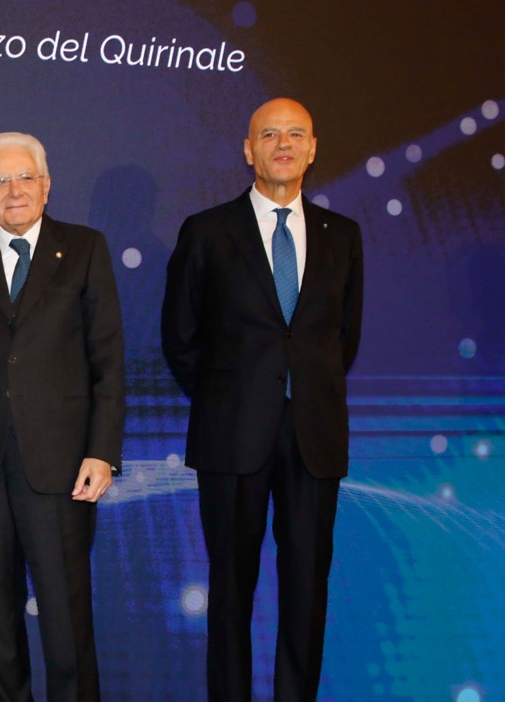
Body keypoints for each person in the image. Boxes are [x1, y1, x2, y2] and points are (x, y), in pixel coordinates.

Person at [160, 98, 364, 701]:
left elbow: (341, 339)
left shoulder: (342, 235)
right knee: (231, 588)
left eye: (295, 133)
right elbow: (181, 336)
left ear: (313, 147)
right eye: (269, 134)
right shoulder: (206, 230)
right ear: (248, 150)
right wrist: (233, 397)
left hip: (314, 439)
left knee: (306, 588)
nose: (283, 144)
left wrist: (302, 393)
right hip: (231, 436)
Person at [0, 132, 125, 702]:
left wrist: (102, 450)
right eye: (0, 182)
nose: (14, 191)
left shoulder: (84, 249)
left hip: (61, 467)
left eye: (24, 177)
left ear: (46, 184)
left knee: (66, 619)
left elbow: (108, 357)